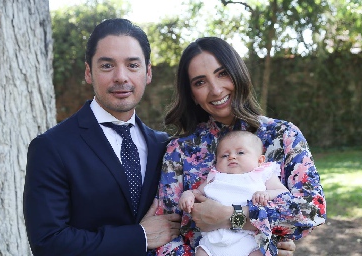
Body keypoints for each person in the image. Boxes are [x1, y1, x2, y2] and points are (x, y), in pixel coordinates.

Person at [154, 37, 326, 256]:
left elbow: (313, 211)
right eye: (200, 82)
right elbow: (165, 235)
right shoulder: (179, 151)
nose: (215, 90)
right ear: (192, 95)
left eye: (222, 73)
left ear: (238, 74)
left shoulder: (283, 136)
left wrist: (230, 217)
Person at [23, 18, 181, 256]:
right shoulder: (51, 147)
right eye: (107, 66)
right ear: (89, 72)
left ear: (148, 73)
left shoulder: (164, 146)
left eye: (132, 65)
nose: (121, 77)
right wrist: (139, 236)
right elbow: (48, 243)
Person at [179, 131, 289, 256]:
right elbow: (196, 192)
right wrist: (187, 195)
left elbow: (283, 193)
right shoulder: (215, 176)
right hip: (214, 240)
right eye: (224, 155)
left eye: (240, 152)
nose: (231, 156)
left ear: (260, 160)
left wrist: (267, 194)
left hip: (250, 240)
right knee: (201, 252)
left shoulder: (262, 173)